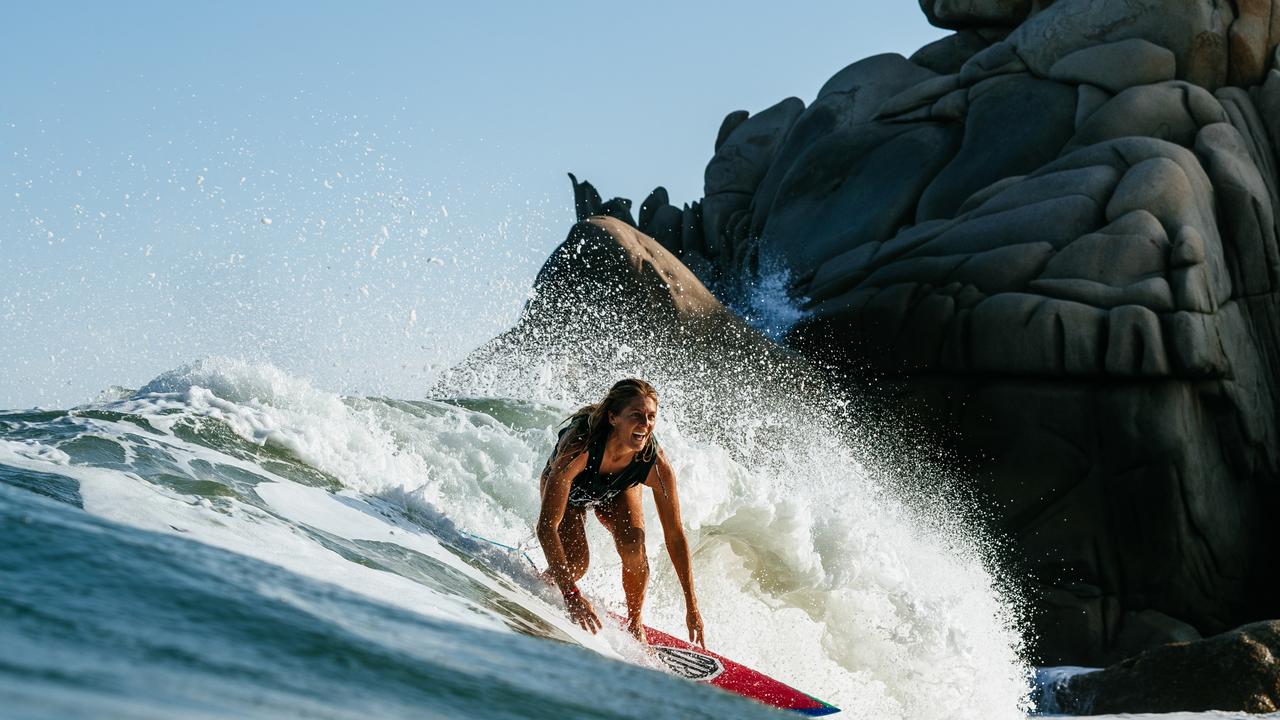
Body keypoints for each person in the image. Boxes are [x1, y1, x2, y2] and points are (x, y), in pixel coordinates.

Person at [536, 378, 705, 647]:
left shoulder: (654, 464)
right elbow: (546, 527)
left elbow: (674, 534)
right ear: (614, 418)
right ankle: (540, 583)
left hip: (617, 489)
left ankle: (635, 624)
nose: (645, 424)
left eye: (651, 417)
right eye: (636, 415)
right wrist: (571, 595)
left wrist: (692, 607)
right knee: (577, 562)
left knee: (634, 547)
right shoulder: (580, 446)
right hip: (572, 491)